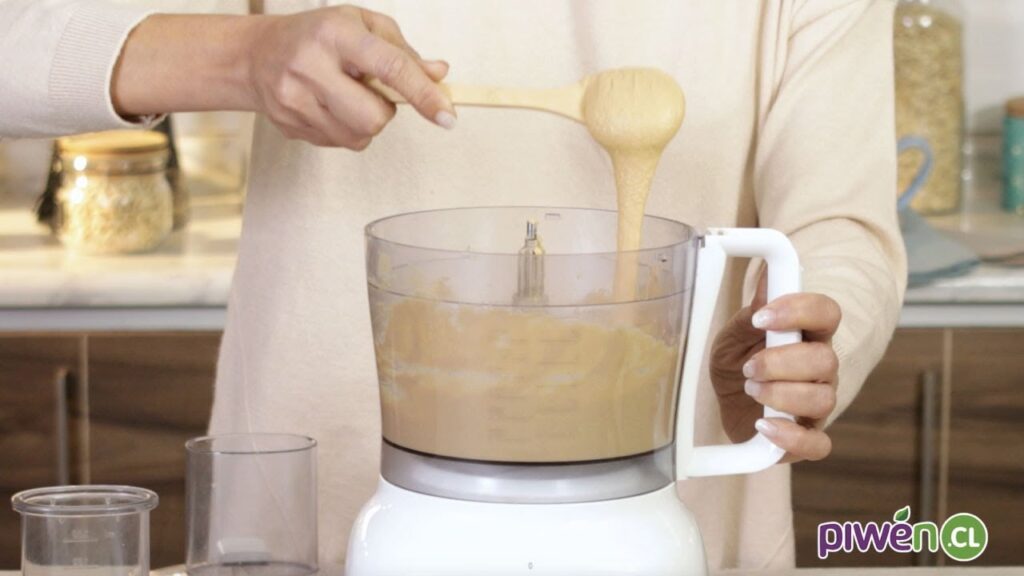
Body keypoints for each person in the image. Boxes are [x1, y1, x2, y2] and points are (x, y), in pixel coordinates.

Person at [0, 0, 906, 570]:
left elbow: (841, 225)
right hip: (310, 510)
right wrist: (245, 54)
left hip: (667, 501)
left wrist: (806, 335)